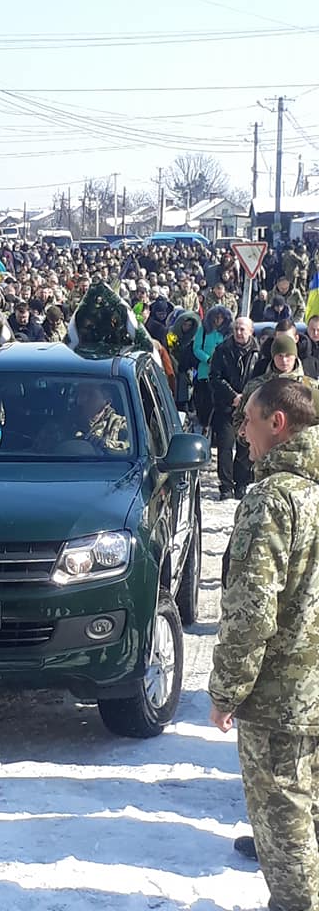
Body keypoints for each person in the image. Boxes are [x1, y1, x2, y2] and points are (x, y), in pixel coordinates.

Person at [209, 378, 319, 911]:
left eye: (248, 421)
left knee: (287, 832)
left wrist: (226, 690)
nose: (241, 433)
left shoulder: (273, 499)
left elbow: (252, 610)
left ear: (278, 424)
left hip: (283, 700)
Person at [209, 317, 259, 500]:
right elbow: (215, 377)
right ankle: (226, 486)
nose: (239, 332)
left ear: (251, 331)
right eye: (236, 329)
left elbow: (260, 378)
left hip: (250, 408)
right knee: (225, 446)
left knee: (245, 446)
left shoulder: (258, 352)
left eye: (243, 329)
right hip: (226, 406)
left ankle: (242, 483)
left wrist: (247, 399)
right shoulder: (222, 350)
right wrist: (233, 397)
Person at [192, 305, 232, 435]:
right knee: (206, 402)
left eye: (221, 318)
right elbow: (196, 348)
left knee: (219, 404)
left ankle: (215, 430)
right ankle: (205, 425)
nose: (218, 320)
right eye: (216, 317)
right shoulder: (203, 330)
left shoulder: (227, 332)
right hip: (204, 372)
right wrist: (208, 359)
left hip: (222, 373)